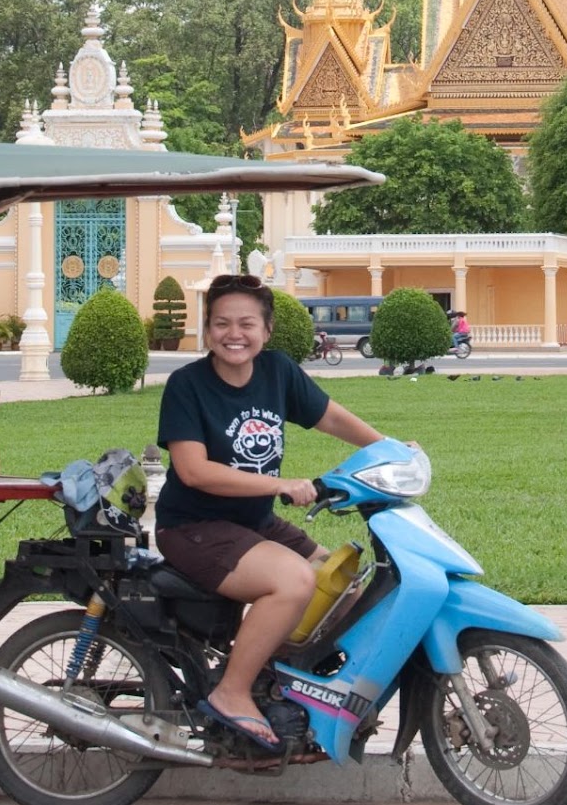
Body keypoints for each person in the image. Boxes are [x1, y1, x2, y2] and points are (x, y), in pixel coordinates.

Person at [153, 273, 394, 752]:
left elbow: (328, 415)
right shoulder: (187, 386)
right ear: (207, 331)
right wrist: (280, 483)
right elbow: (194, 470)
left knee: (344, 585)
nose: (233, 334)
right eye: (221, 323)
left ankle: (277, 685)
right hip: (194, 527)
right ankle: (232, 691)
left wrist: (387, 447)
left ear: (266, 331)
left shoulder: (277, 371)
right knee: (294, 581)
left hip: (253, 523)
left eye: (246, 323)